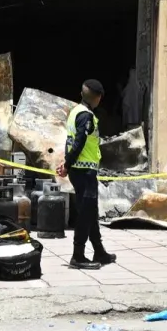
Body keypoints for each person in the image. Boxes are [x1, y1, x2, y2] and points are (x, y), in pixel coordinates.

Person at [59, 79, 115, 270]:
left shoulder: (75, 112)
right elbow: (79, 143)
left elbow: (71, 142)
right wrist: (67, 164)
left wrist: (67, 163)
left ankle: (99, 250)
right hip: (84, 171)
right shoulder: (86, 116)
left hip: (81, 170)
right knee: (85, 214)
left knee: (90, 211)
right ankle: (78, 255)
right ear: (97, 98)